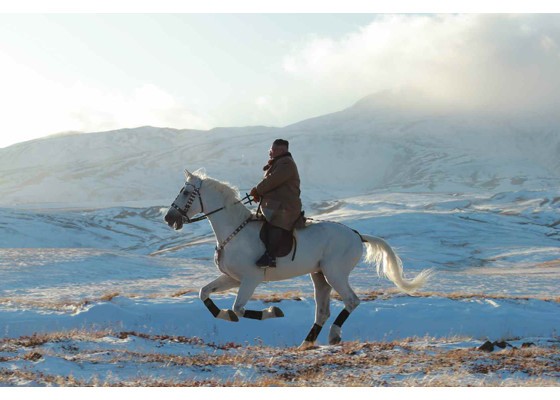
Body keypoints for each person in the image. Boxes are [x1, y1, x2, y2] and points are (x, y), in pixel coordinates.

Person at [250, 139, 303, 268]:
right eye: (270, 149)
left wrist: (258, 190)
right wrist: (259, 193)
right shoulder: (280, 162)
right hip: (276, 205)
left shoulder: (286, 164)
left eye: (272, 150)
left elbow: (272, 181)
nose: (270, 152)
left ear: (282, 150)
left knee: (276, 224)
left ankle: (270, 257)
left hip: (285, 207)